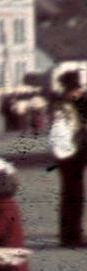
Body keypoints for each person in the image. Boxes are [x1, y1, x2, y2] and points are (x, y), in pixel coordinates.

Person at [51, 70, 85, 248]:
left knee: (73, 196)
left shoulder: (71, 102)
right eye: (74, 90)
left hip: (74, 156)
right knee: (73, 196)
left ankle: (71, 234)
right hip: (69, 157)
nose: (76, 93)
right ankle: (71, 236)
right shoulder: (63, 106)